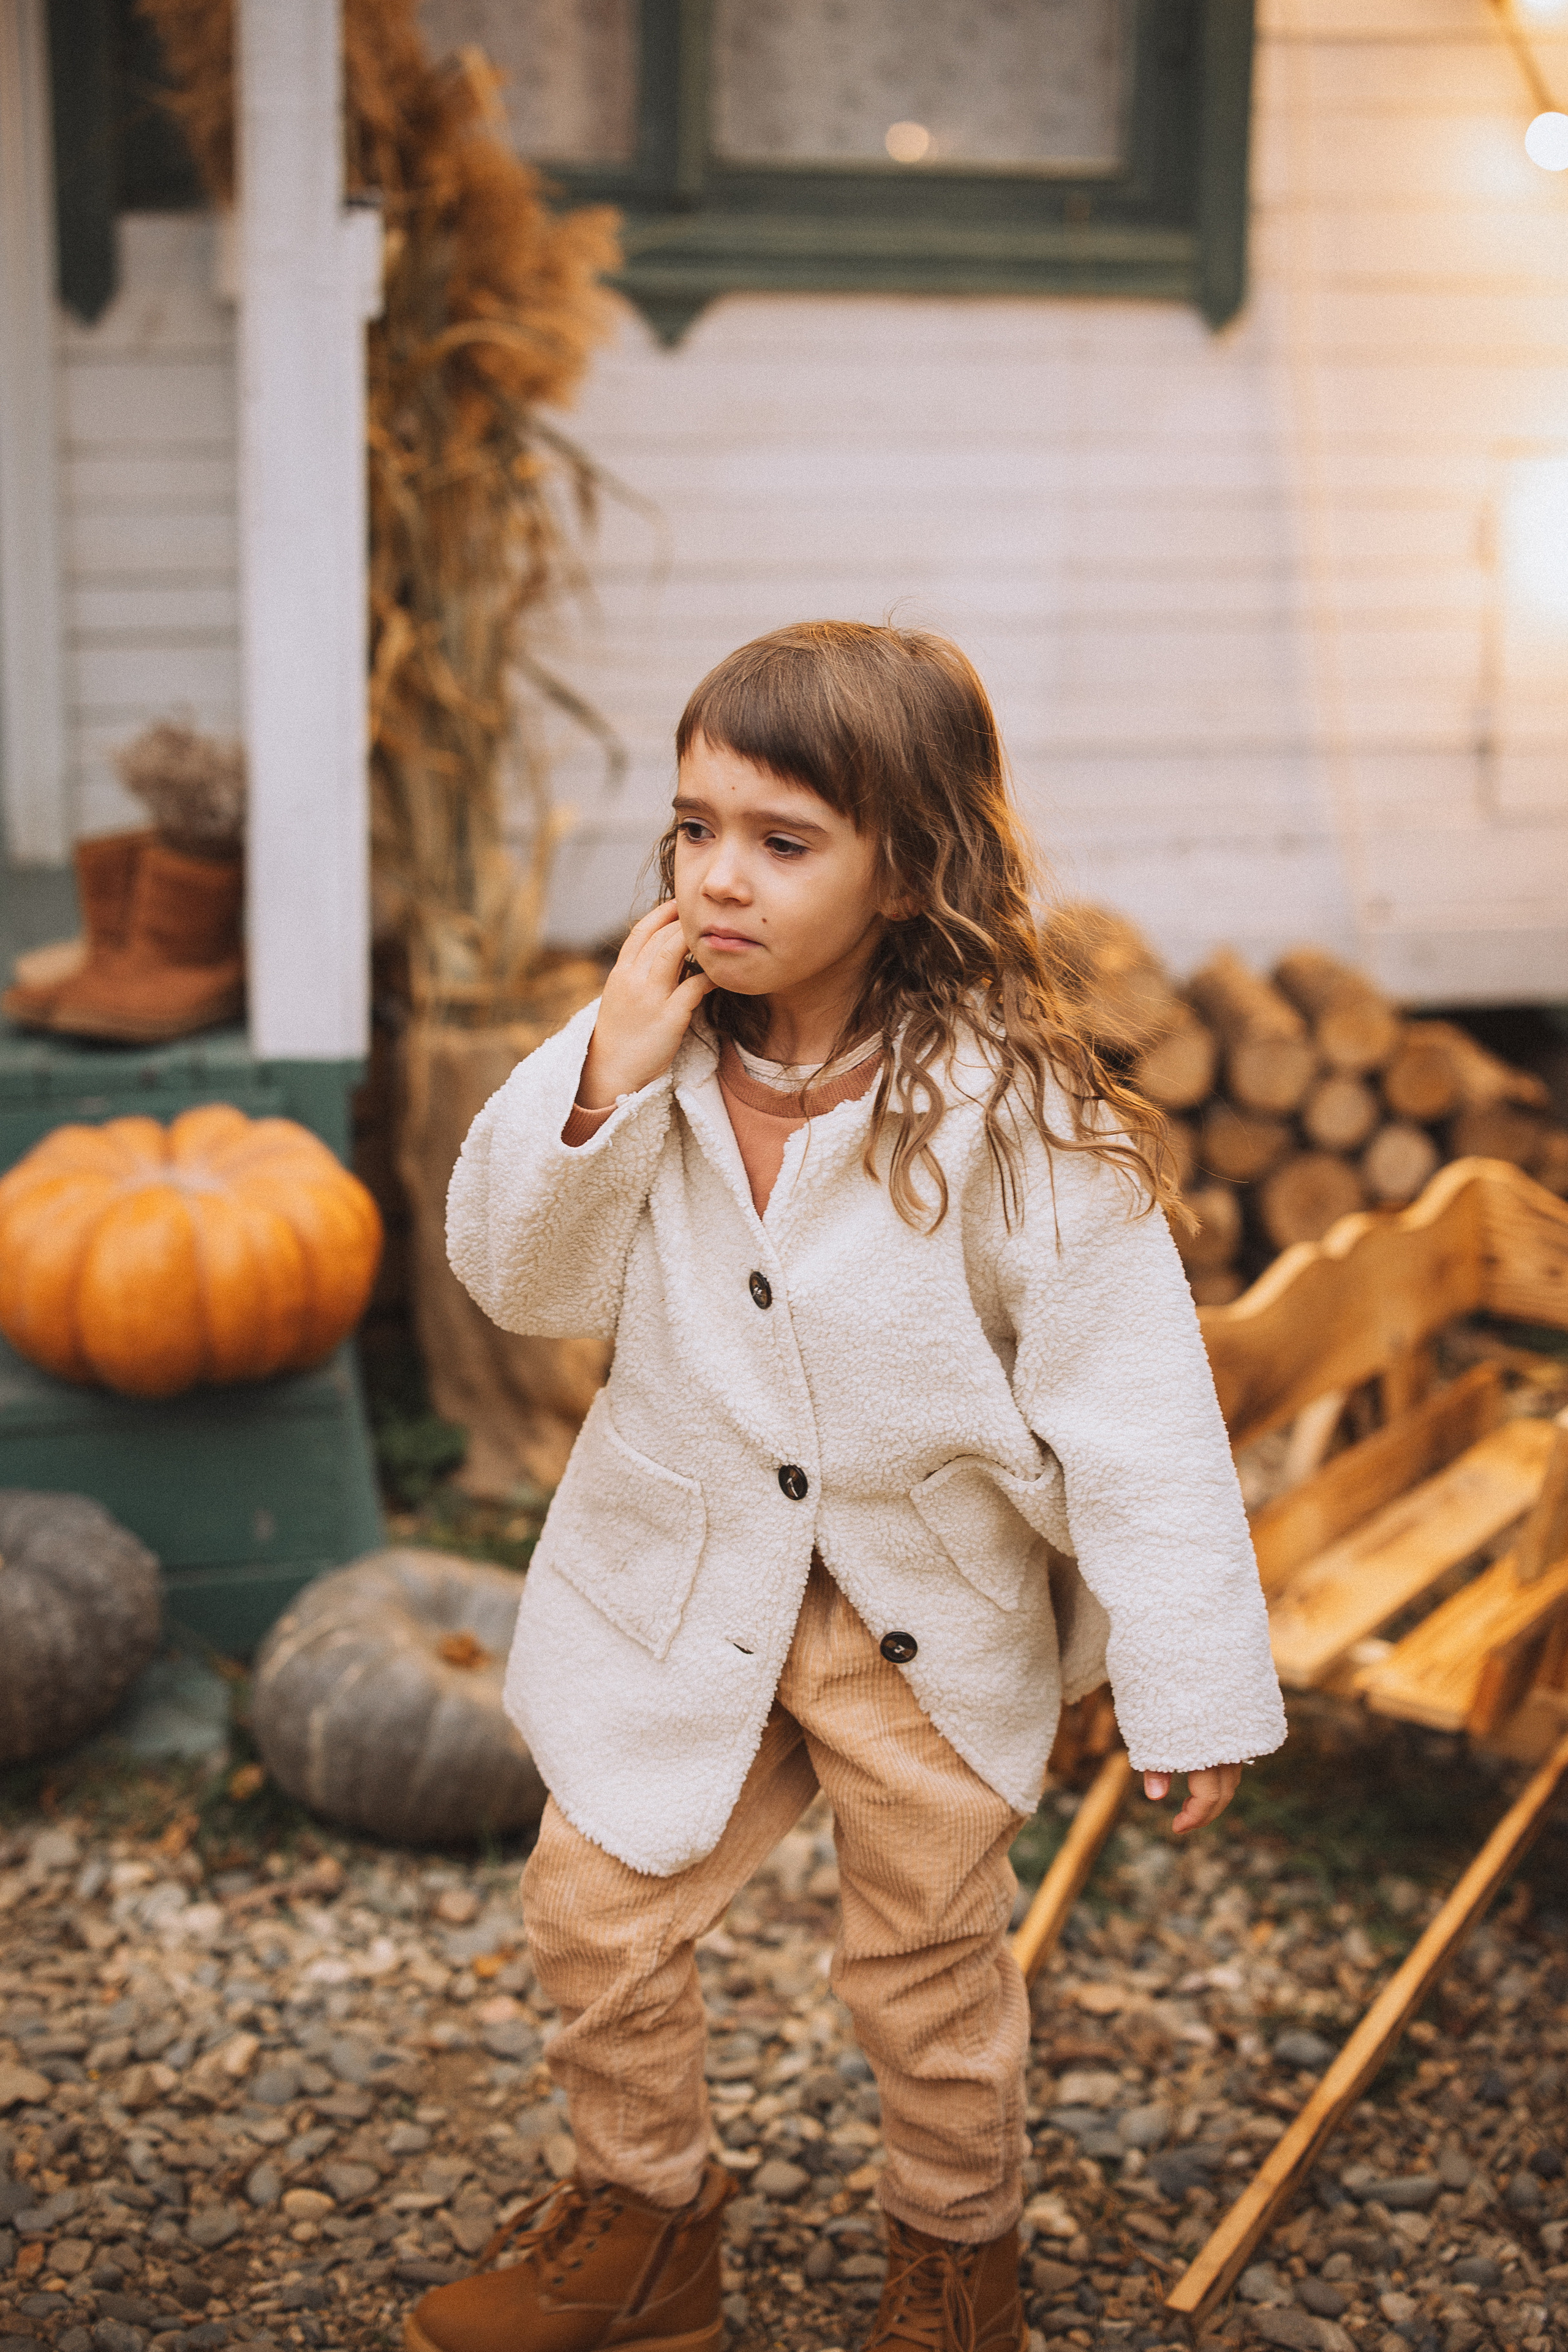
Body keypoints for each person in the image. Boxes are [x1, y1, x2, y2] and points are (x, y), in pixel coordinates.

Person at [408, 623, 1285, 2352]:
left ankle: (955, 2265)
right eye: (693, 827)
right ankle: (646, 2224)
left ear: (909, 866)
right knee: (594, 1905)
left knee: (928, 1969)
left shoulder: (1009, 1112)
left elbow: (1139, 1411)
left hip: (925, 1616)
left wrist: (1190, 1688)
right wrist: (599, 1071)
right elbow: (521, 1275)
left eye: (782, 840)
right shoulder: (646, 1059)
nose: (719, 877)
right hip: (684, 1584)